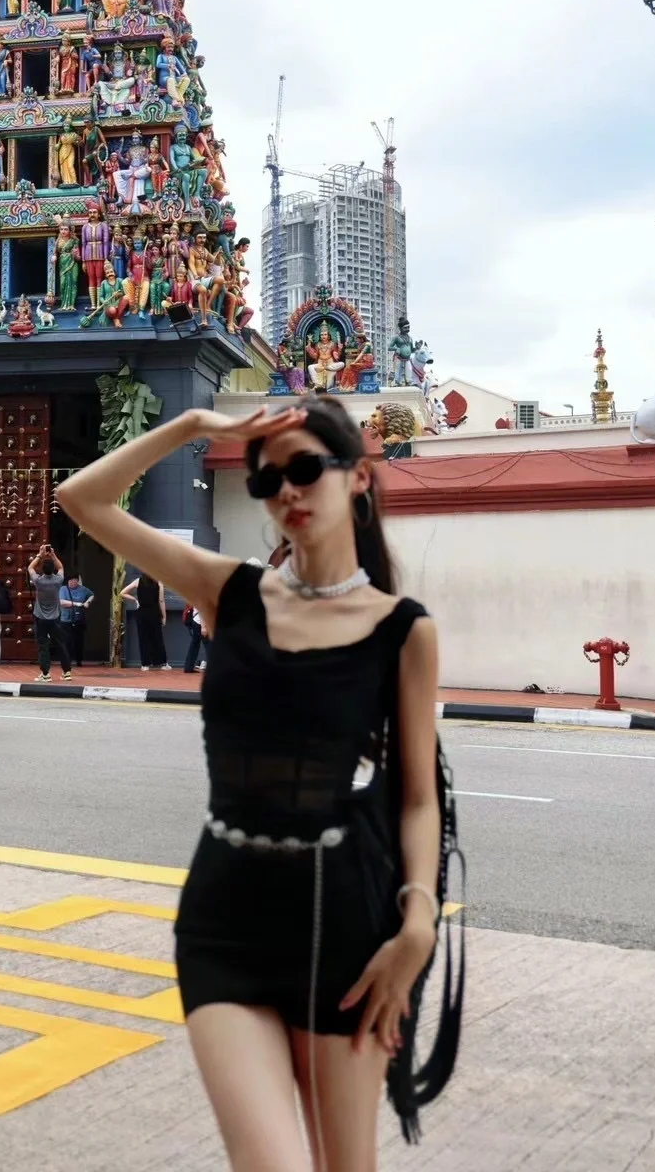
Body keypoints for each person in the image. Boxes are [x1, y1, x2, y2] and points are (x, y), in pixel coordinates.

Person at [56, 398, 442, 1168]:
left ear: (359, 477)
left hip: (344, 926)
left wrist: (419, 924)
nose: (287, 493)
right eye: (268, 482)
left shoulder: (403, 629)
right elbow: (80, 500)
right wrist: (197, 426)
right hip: (224, 921)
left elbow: (418, 794)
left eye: (305, 470)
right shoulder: (227, 590)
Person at [28, 544, 72, 683]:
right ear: (53, 570)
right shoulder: (58, 580)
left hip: (40, 617)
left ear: (42, 569)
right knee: (60, 643)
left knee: (43, 645)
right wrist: (52, 554)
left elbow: (30, 568)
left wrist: (40, 554)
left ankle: (46, 673)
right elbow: (61, 567)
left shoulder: (38, 581)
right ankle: (67, 672)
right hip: (55, 617)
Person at [120, 572, 169, 670]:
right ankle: (162, 663)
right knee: (157, 638)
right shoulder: (159, 582)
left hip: (142, 613)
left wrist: (135, 599)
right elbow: (161, 600)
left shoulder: (138, 581)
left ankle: (145, 665)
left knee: (143, 638)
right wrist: (164, 616)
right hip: (154, 613)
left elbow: (122, 592)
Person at [59, 574, 94, 666]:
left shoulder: (83, 589)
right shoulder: (63, 589)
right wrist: (77, 604)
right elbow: (62, 602)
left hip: (79, 619)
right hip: (66, 619)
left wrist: (87, 602)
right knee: (67, 641)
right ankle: (67, 661)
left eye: (74, 580)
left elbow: (91, 595)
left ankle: (79, 660)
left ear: (77, 581)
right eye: (70, 580)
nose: (71, 582)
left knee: (79, 641)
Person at [182, 604, 208, 675]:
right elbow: (202, 609)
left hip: (196, 621)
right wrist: (203, 627)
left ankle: (188, 667)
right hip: (201, 623)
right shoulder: (204, 594)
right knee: (209, 646)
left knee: (194, 645)